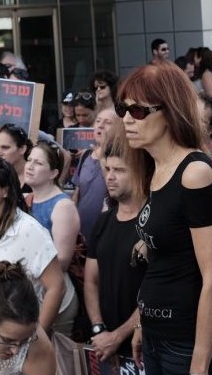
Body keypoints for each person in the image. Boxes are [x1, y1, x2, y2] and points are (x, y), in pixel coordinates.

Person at [117, 61, 212, 375]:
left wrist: (199, 362)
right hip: (156, 335)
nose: (127, 119)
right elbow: (165, 259)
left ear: (168, 112)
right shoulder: (154, 169)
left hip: (187, 343)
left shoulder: (195, 173)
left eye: (138, 111)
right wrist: (143, 323)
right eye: (122, 109)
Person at [0, 157, 76, 334]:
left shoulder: (30, 231)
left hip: (18, 334)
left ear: (5, 191)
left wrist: (35, 337)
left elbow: (57, 287)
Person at [84, 127, 147, 367]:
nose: (110, 176)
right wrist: (99, 328)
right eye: (107, 169)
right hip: (105, 347)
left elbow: (155, 291)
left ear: (139, 173)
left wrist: (118, 335)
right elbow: (91, 281)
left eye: (119, 170)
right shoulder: (104, 221)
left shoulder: (153, 223)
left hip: (142, 347)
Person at [22, 141, 80, 274]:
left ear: (53, 174)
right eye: (29, 160)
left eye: (38, 163)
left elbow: (62, 261)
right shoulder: (25, 198)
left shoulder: (63, 207)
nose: (30, 166)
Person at [72, 107, 115, 240]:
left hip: (106, 233)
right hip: (82, 232)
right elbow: (77, 193)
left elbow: (114, 191)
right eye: (98, 121)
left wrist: (103, 159)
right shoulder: (86, 155)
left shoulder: (123, 158)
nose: (100, 126)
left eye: (107, 122)